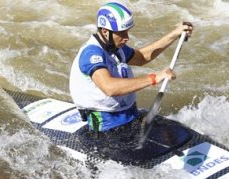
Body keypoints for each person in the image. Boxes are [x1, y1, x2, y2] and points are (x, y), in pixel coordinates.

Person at [69, 2, 193, 132]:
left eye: (127, 32)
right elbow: (109, 87)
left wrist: (174, 34)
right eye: (122, 33)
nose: (127, 38)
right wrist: (154, 78)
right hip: (106, 127)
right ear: (105, 32)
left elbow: (141, 57)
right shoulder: (91, 53)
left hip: (130, 115)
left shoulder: (115, 47)